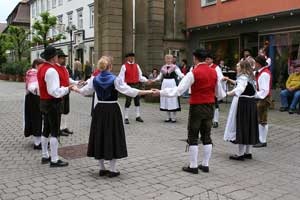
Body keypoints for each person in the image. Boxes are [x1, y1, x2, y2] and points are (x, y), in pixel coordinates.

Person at [71, 56, 152, 177]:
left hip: (99, 109)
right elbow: (130, 91)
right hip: (112, 109)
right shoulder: (115, 79)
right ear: (110, 66)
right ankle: (113, 169)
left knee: (100, 135)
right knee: (113, 136)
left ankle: (102, 168)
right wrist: (148, 91)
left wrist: (75, 88)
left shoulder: (94, 79)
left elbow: (84, 92)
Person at [152, 49, 225, 174]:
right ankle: (206, 165)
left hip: (197, 106)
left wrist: (160, 92)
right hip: (210, 106)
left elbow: (178, 90)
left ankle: (193, 165)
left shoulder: (193, 72)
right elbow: (220, 94)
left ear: (195, 58)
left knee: (193, 135)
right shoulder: (214, 72)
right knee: (207, 135)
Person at [37, 46, 71, 167]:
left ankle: (45, 155)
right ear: (53, 57)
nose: (58, 57)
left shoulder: (41, 68)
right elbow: (54, 91)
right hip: (52, 103)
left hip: (44, 102)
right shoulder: (51, 71)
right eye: (57, 55)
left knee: (46, 129)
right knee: (55, 132)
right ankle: (54, 159)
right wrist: (68, 89)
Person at [223, 60, 259, 160]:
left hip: (244, 103)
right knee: (249, 127)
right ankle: (248, 152)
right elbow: (244, 86)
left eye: (238, 66)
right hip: (251, 103)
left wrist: (226, 94)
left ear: (243, 68)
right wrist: (230, 81)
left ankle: (240, 154)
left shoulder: (243, 77)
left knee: (242, 126)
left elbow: (239, 89)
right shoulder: (250, 77)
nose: (237, 68)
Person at [151, 54, 184, 122]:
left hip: (172, 83)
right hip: (165, 84)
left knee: (173, 99)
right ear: (165, 59)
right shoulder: (163, 68)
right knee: (165, 99)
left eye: (170, 58)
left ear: (172, 59)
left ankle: (174, 117)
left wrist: (186, 77)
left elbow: (180, 74)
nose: (168, 60)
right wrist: (153, 80)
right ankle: (168, 117)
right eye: (167, 58)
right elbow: (159, 77)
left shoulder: (175, 67)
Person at [56, 49, 82, 136]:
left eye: (64, 58)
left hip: (66, 91)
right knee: (60, 111)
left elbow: (68, 79)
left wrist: (76, 82)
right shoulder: (54, 69)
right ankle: (58, 129)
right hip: (60, 93)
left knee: (66, 110)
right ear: (57, 58)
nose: (64, 60)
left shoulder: (65, 68)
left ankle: (64, 127)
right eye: (62, 58)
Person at [118, 53, 149, 124]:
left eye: (133, 57)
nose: (132, 58)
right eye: (130, 57)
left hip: (136, 85)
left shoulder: (137, 66)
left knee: (137, 100)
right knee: (128, 101)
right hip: (128, 85)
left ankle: (138, 116)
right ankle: (126, 117)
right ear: (127, 58)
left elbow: (140, 77)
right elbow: (121, 77)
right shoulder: (124, 66)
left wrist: (147, 80)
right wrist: (124, 86)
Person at [24, 58, 44, 149]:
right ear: (36, 65)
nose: (43, 67)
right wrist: (40, 91)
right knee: (37, 119)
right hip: (34, 98)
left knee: (37, 119)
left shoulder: (31, 72)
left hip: (32, 98)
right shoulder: (33, 73)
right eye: (41, 65)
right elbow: (32, 87)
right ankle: (37, 143)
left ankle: (38, 141)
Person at [253, 55, 272, 148]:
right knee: (260, 119)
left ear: (259, 64)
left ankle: (262, 140)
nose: (254, 65)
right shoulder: (261, 72)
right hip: (261, 98)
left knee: (262, 120)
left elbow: (264, 90)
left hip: (263, 98)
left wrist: (255, 95)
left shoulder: (264, 74)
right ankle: (260, 139)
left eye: (255, 63)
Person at [206, 53, 225, 128]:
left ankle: (216, 121)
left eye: (208, 59)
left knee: (215, 105)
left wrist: (222, 78)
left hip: (213, 88)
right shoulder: (204, 67)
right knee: (207, 105)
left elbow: (220, 76)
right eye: (206, 59)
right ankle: (209, 120)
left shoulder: (216, 67)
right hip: (206, 88)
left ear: (212, 60)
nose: (207, 61)